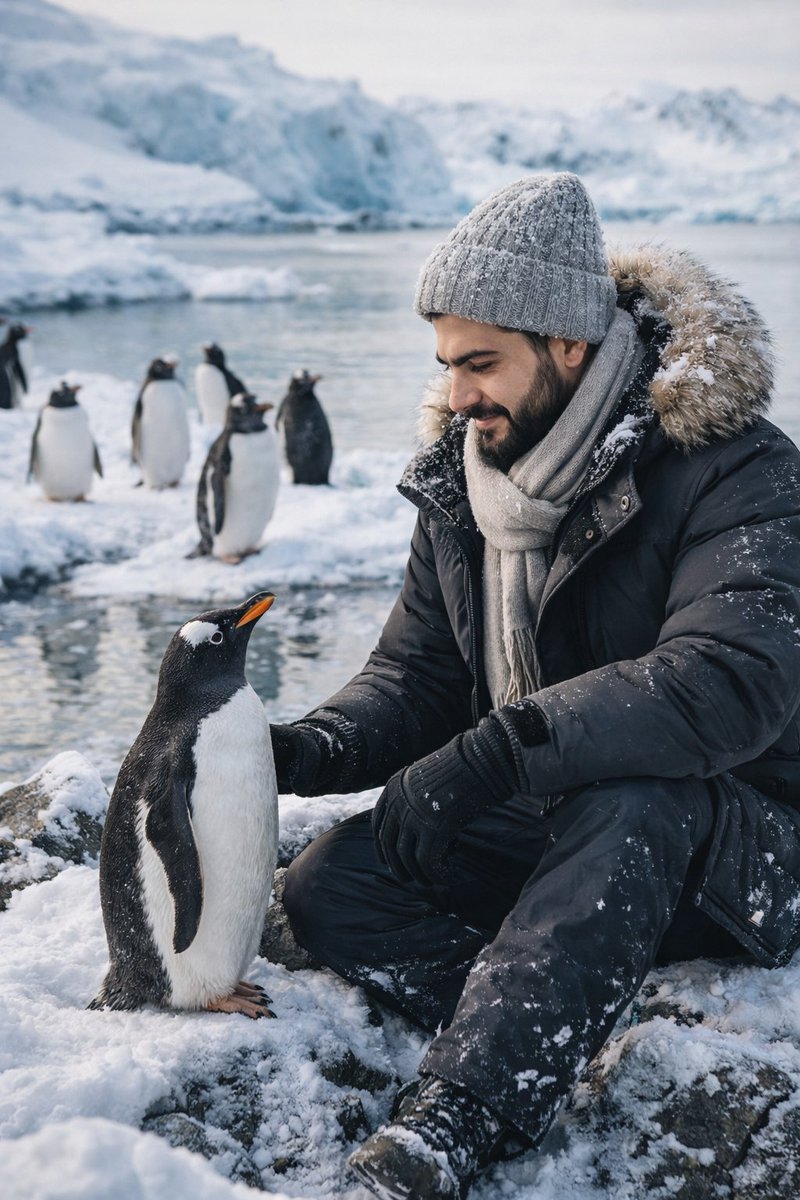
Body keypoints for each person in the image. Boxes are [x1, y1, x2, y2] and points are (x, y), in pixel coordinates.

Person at [269, 172, 800, 1200]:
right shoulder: (463, 480)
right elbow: (418, 674)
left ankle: (459, 1115)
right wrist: (304, 749)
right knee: (335, 882)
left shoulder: (738, 469)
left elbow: (727, 682)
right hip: (558, 826)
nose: (459, 395)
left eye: (482, 364)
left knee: (632, 793)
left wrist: (497, 751)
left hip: (730, 845)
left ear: (568, 346)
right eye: (447, 364)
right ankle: (543, 1015)